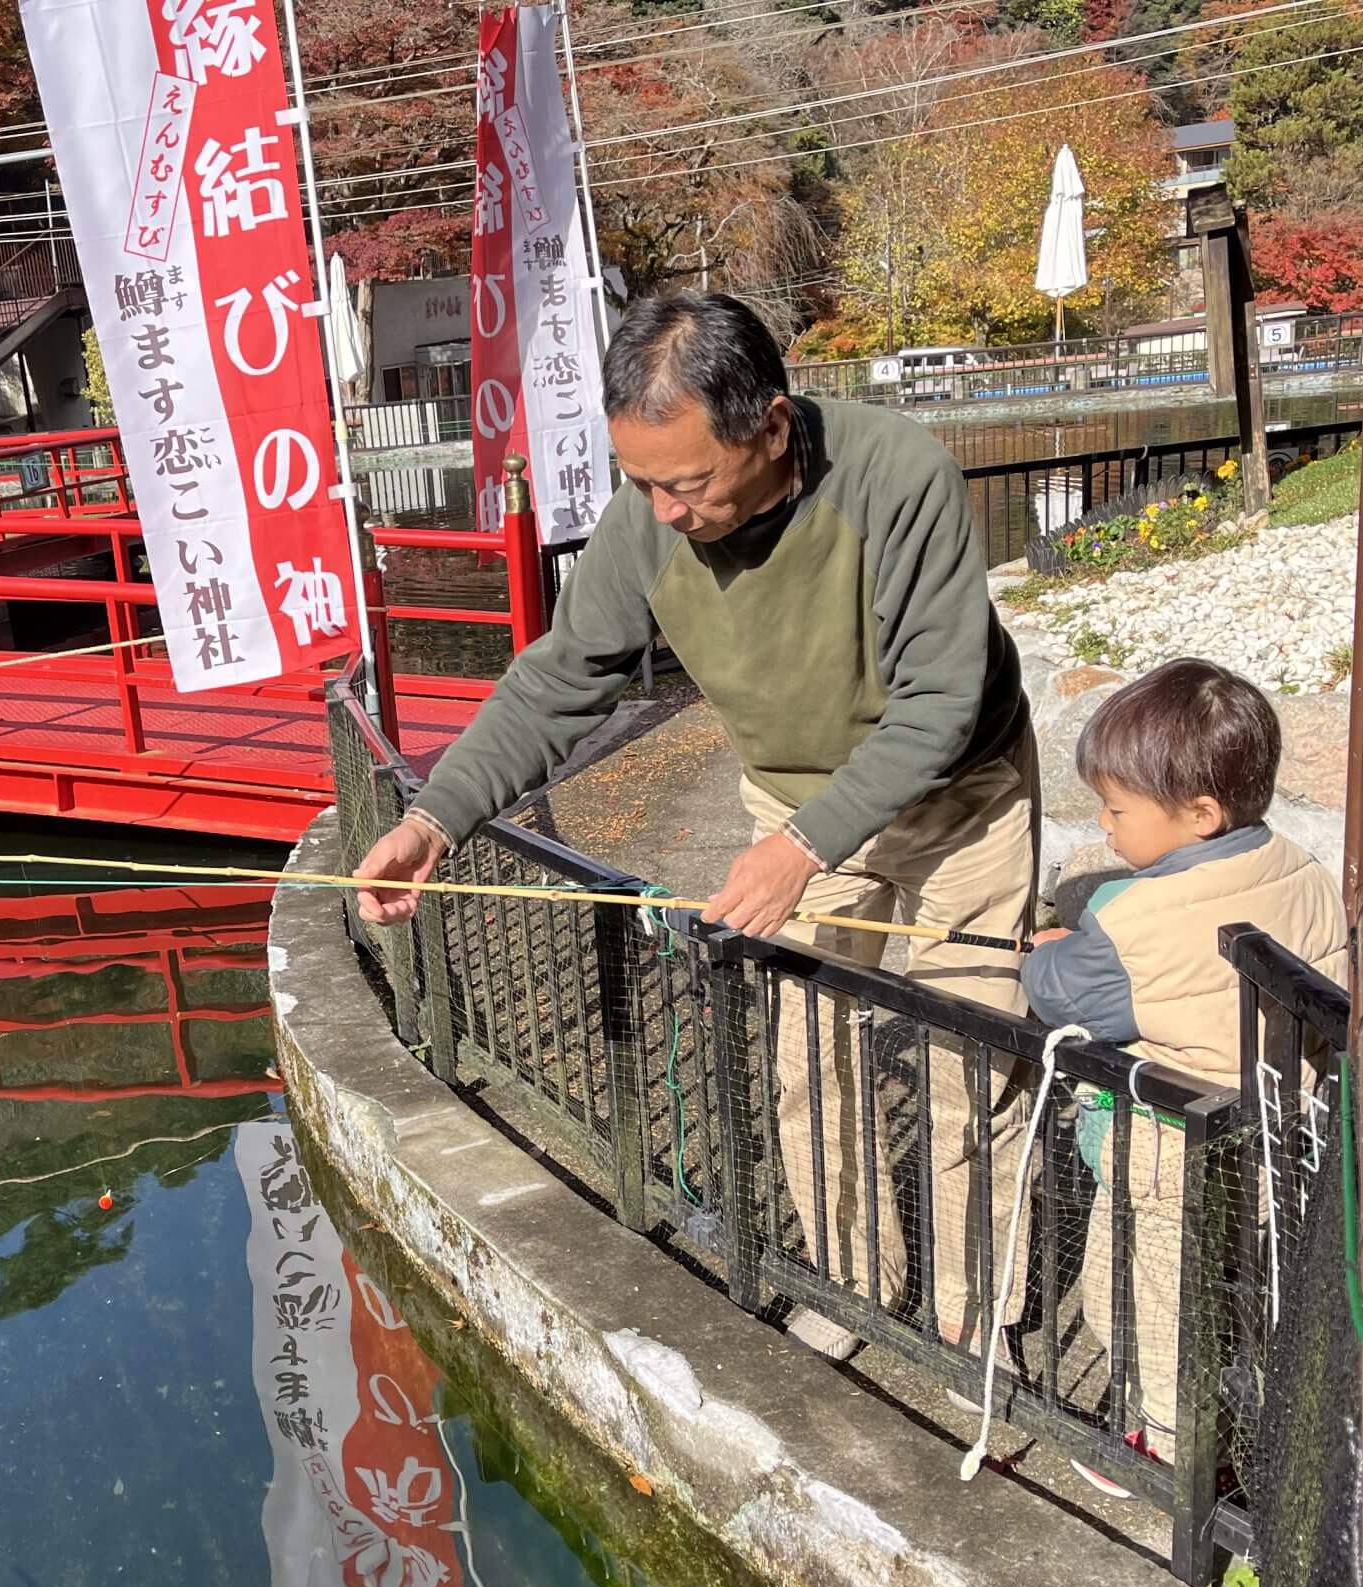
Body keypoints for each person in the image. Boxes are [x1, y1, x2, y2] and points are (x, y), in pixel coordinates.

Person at [353, 292, 1039, 1355]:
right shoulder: (649, 525)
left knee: (970, 1061)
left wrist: (804, 848)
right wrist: (437, 819)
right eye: (641, 483)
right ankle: (854, 1283)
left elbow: (939, 704)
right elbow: (557, 683)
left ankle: (972, 1309)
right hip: (789, 797)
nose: (663, 511)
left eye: (687, 482)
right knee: (811, 1063)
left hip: (962, 796)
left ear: (770, 426)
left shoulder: (898, 473)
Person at [1020, 659, 1345, 1494]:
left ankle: (1170, 1455)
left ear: (1199, 814)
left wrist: (1053, 956)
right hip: (1280, 1142)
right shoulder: (1303, 868)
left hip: (1172, 1160)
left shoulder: (1135, 916)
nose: (1105, 824)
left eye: (1118, 809)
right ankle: (1246, 1425)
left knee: (1146, 1297)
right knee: (1246, 1299)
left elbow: (1063, 1000)